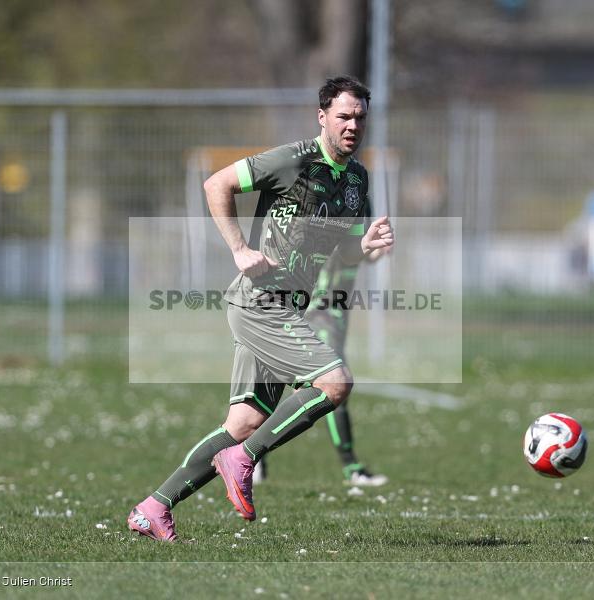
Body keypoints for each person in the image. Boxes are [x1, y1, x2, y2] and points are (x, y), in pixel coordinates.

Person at [127, 75, 394, 541]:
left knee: (243, 423)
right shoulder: (293, 160)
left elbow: (344, 253)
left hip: (287, 308)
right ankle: (246, 457)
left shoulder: (357, 179)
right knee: (334, 383)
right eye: (343, 116)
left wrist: (366, 246)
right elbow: (218, 184)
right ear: (322, 117)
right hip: (260, 302)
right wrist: (238, 249)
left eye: (360, 118)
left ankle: (153, 508)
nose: (352, 125)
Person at [253, 246, 389, 487]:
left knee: (301, 396)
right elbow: (344, 249)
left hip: (332, 320)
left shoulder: (348, 228)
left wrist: (374, 250)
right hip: (321, 320)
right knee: (333, 391)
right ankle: (351, 467)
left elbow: (354, 253)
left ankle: (253, 456)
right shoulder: (335, 225)